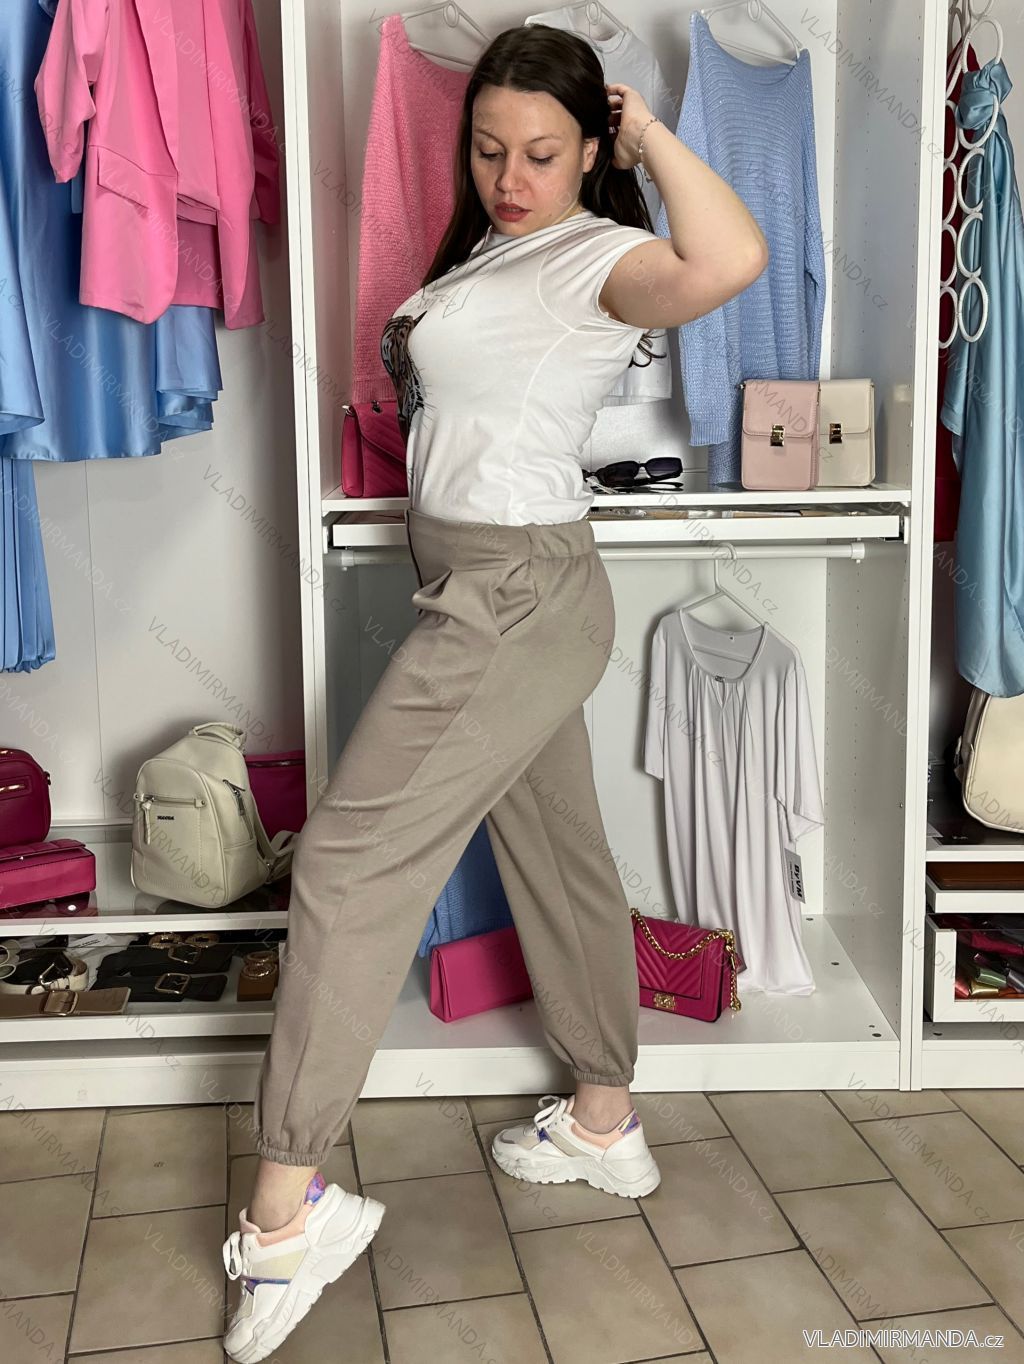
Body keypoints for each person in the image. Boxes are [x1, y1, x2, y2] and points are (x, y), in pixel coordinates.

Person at [221, 23, 767, 1363]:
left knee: (345, 863)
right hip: (489, 587)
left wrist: (647, 135)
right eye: (487, 150)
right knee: (558, 855)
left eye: (542, 153)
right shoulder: (491, 254)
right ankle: (604, 1121)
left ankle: (284, 1217)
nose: (511, 177)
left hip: (515, 595)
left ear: (588, 152)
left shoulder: (599, 258)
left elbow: (730, 260)